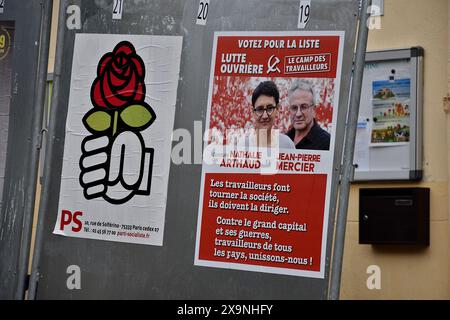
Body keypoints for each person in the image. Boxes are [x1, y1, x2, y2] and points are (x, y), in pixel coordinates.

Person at [245, 81, 295, 149]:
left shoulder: (286, 145)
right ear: (253, 112)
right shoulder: (242, 146)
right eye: (260, 109)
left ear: (277, 109)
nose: (265, 116)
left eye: (270, 108)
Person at [286, 80, 330, 150]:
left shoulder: (327, 143)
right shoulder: (284, 141)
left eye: (304, 107)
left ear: (314, 110)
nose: (298, 114)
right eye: (294, 108)